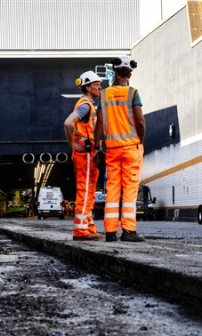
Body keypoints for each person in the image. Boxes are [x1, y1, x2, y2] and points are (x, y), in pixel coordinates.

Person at [94, 56, 146, 242]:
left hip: (112, 149)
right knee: (130, 190)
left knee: (112, 189)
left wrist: (97, 146)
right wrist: (140, 140)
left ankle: (109, 232)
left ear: (114, 71)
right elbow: (139, 121)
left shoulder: (103, 95)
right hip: (131, 148)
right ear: (130, 73)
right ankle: (128, 231)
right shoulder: (133, 93)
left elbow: (99, 122)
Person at [64, 71, 103, 241]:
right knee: (85, 191)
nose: (100, 87)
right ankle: (80, 231)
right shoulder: (85, 105)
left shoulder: (90, 105)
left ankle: (88, 228)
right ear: (88, 87)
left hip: (90, 155)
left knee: (90, 192)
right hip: (85, 154)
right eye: (97, 85)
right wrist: (72, 144)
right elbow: (68, 123)